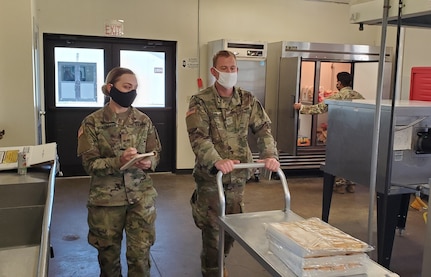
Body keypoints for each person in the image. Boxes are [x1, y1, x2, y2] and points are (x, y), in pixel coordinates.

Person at [186, 50, 280, 277]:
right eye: (224, 68)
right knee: (212, 231)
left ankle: (221, 262)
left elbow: (263, 128)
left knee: (232, 228)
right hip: (212, 177)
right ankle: (211, 270)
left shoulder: (247, 99)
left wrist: (269, 155)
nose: (230, 72)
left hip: (238, 177)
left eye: (233, 68)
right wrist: (217, 161)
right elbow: (199, 137)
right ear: (214, 71)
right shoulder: (201, 100)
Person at [77, 67, 162, 277]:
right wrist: (119, 161)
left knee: (140, 257)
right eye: (126, 86)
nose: (131, 92)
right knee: (108, 260)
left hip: (140, 198)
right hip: (106, 201)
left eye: (134, 88)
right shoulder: (92, 123)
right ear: (110, 88)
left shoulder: (144, 121)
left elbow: (156, 152)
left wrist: (148, 162)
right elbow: (90, 164)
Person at [293, 71, 364, 194]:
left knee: (339, 157)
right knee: (352, 158)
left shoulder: (337, 96)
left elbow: (319, 108)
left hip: (341, 132)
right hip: (356, 133)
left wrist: (302, 107)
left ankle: (340, 184)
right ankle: (351, 184)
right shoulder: (359, 96)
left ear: (339, 83)